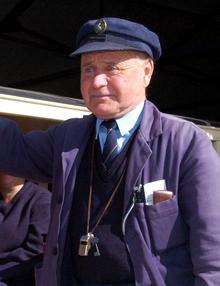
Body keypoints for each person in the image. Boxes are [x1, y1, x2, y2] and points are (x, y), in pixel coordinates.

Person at [0, 17, 220, 286]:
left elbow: (213, 248)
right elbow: (11, 150)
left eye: (112, 68)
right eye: (88, 69)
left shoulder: (184, 143)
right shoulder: (68, 138)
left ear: (147, 71)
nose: (96, 82)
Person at [0, 172, 51, 286]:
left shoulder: (42, 201)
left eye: (10, 164)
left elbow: (35, 251)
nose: (5, 169)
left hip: (21, 277)